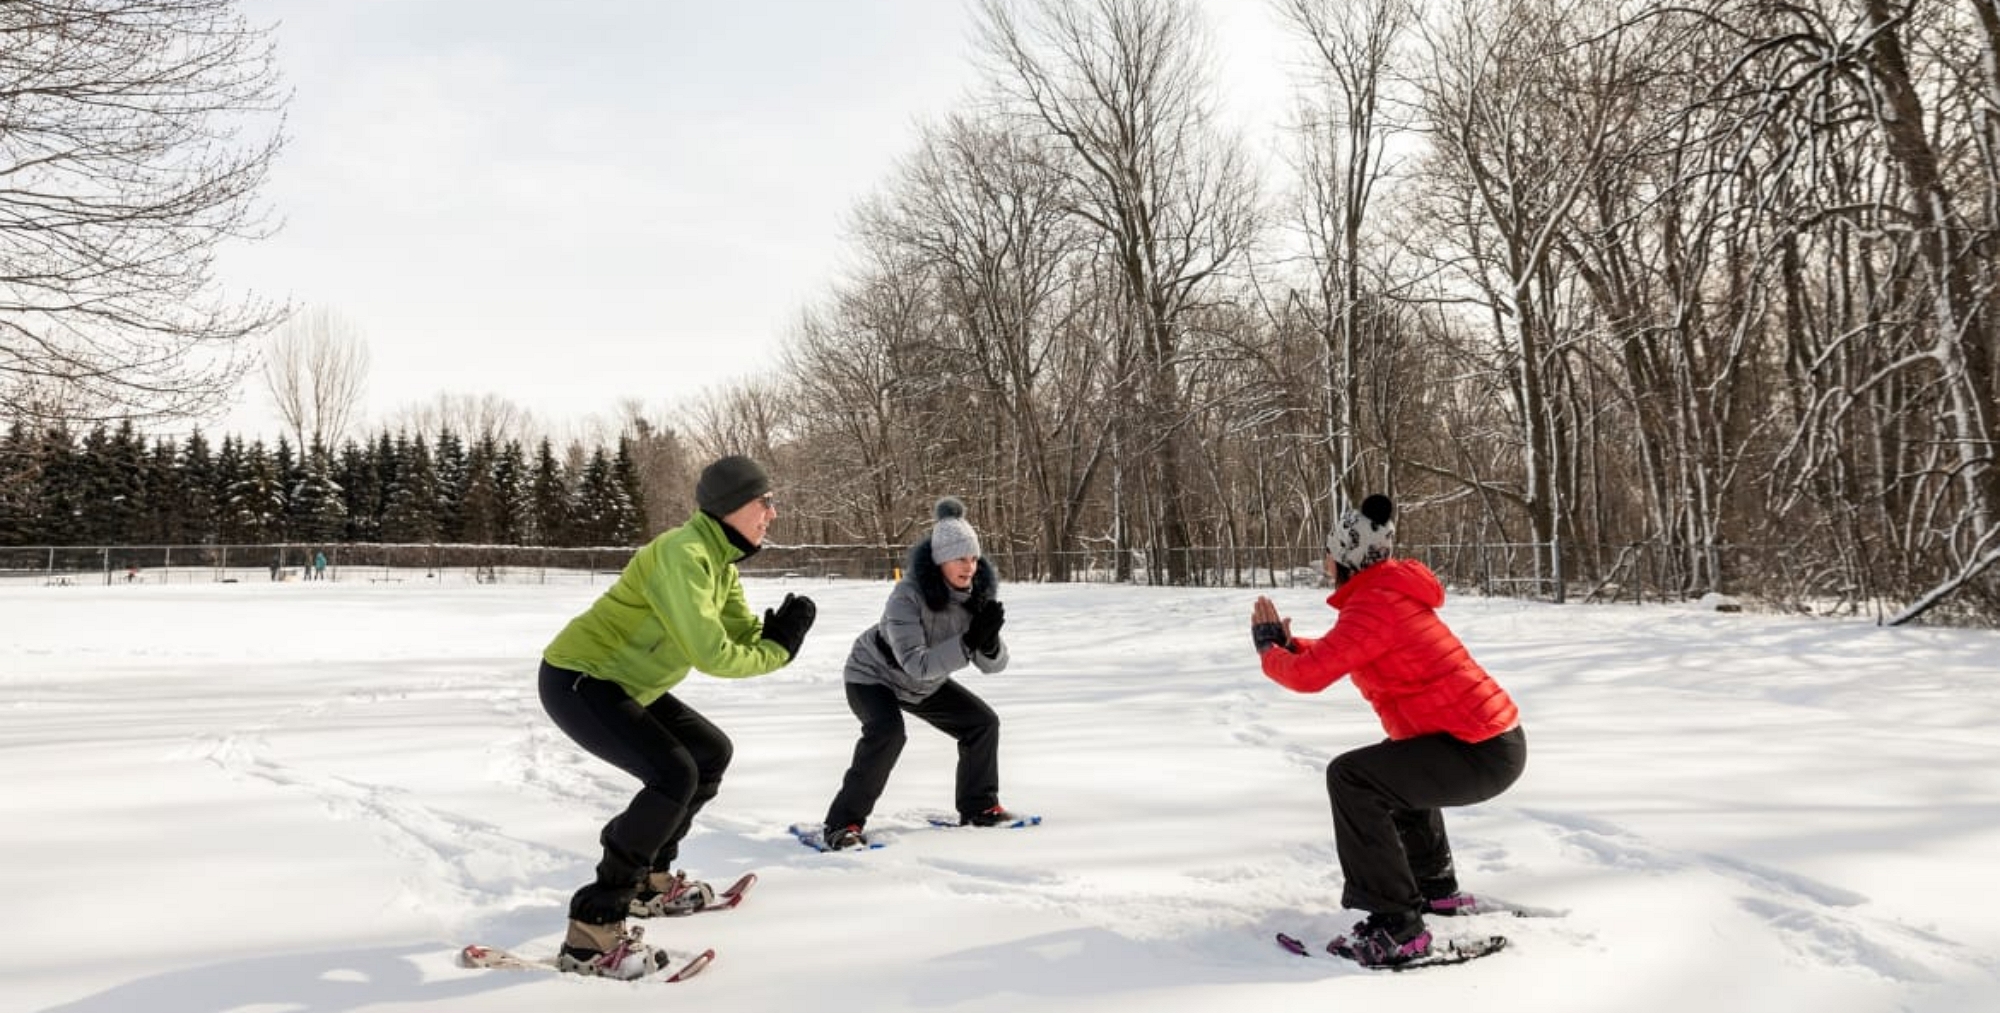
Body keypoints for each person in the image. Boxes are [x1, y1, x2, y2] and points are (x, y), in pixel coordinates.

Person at [538, 454, 818, 979]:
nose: (772, 513)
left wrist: (778, 634)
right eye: (765, 501)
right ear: (733, 505)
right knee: (672, 774)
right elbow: (713, 654)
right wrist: (778, 651)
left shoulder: (718, 562)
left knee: (710, 754)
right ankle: (593, 926)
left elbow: (738, 633)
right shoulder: (683, 554)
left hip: (629, 684)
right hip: (580, 678)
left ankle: (648, 879)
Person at [1250, 494, 1525, 968]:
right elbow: (1342, 651)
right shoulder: (1384, 596)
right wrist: (1291, 645)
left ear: (1345, 557)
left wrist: (1269, 650)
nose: (1324, 559)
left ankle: (1398, 928)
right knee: (1392, 769)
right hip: (1489, 744)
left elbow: (1309, 676)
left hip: (1481, 752)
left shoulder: (1374, 605)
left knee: (1353, 778)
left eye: (1328, 551)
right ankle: (1433, 889)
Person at [819, 497, 1014, 851]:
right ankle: (842, 824)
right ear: (939, 560)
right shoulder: (906, 597)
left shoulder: (976, 598)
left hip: (924, 686)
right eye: (959, 558)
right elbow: (916, 664)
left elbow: (994, 666)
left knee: (982, 723)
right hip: (872, 675)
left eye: (973, 558)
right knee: (888, 733)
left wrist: (987, 644)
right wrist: (968, 642)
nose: (969, 567)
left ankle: (980, 808)